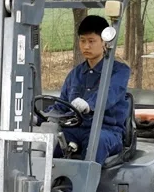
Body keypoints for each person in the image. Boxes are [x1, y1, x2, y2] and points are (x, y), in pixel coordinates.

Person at [55, 14, 131, 164]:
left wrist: (89, 104)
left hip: (107, 131)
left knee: (96, 142)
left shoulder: (119, 71)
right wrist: (38, 117)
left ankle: (84, 180)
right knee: (49, 141)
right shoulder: (75, 74)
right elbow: (61, 105)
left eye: (91, 41)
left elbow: (110, 94)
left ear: (104, 42)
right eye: (82, 41)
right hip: (75, 129)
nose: (86, 46)